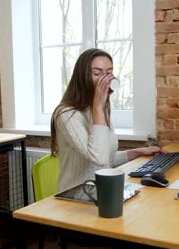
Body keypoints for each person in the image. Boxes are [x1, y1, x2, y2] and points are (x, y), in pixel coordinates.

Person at [51, 48, 164, 191]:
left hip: (102, 190)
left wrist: (138, 152)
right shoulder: (66, 114)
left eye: (109, 73)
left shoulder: (99, 109)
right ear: (82, 77)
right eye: (97, 73)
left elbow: (106, 160)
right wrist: (98, 106)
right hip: (78, 195)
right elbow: (99, 158)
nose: (106, 79)